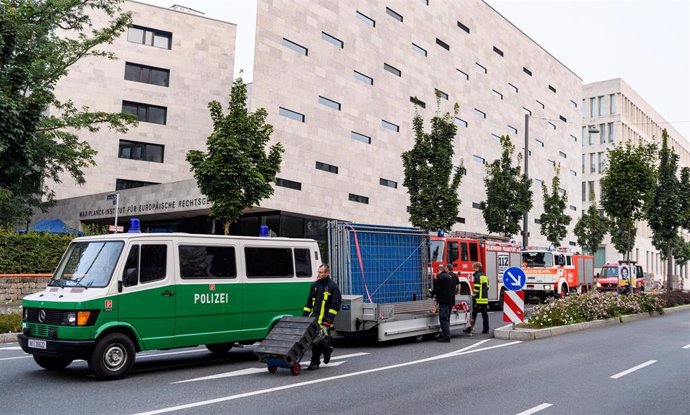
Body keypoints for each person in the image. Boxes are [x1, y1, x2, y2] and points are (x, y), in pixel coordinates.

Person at [303, 263, 342, 370]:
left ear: (327, 273)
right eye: (318, 272)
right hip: (314, 320)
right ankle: (327, 350)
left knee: (317, 341)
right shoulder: (314, 286)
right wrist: (303, 318)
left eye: (321, 272)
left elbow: (335, 306)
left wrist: (328, 321)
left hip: (325, 321)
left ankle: (314, 363)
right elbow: (308, 304)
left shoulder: (333, 287)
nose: (319, 274)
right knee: (315, 340)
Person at [430, 264, 455, 342]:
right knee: (447, 318)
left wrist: (431, 293)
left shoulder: (441, 277)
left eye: (437, 271)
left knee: (443, 319)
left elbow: (437, 288)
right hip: (450, 301)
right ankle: (446, 335)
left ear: (439, 271)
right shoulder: (449, 277)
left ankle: (446, 337)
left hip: (444, 301)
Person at [466, 262, 490, 335]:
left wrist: (474, 294)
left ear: (477, 268)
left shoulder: (477, 276)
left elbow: (476, 287)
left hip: (478, 299)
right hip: (484, 298)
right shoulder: (484, 276)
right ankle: (486, 329)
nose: (474, 269)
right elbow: (487, 287)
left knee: (473, 314)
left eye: (474, 268)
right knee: (484, 314)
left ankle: (470, 329)